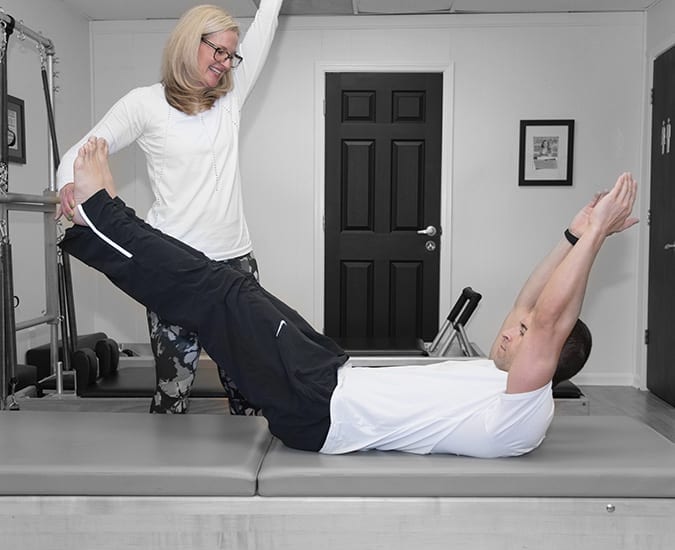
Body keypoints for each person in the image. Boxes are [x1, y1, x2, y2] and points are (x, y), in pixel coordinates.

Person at [61, 138, 638, 457]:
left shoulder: (523, 406)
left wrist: (593, 241)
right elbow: (535, 302)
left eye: (526, 331)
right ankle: (103, 221)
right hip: (330, 373)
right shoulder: (502, 371)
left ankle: (98, 218)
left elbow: (551, 318)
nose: (514, 325)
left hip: (319, 408)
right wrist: (574, 233)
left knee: (215, 293)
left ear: (548, 361)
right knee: (227, 285)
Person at [55, 0, 283, 415]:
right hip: (172, 266)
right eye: (219, 51)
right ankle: (165, 479)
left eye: (233, 55)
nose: (227, 63)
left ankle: (254, 479)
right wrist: (67, 183)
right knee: (173, 388)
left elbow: (266, 24)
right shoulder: (145, 104)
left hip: (235, 264)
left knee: (247, 386)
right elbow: (83, 149)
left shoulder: (230, 98)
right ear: (189, 41)